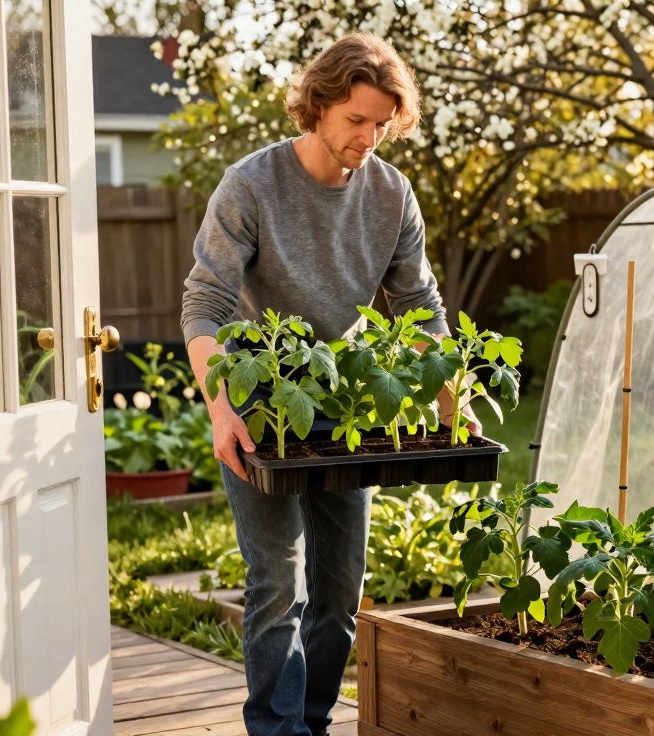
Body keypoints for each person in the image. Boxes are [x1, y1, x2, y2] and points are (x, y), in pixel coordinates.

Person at [180, 33, 477, 736]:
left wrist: (450, 406)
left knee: (340, 589)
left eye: (381, 123)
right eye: (356, 120)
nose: (369, 138)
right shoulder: (252, 185)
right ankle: (276, 730)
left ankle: (310, 721)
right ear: (317, 107)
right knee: (277, 582)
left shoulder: (390, 193)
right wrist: (222, 413)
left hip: (342, 400)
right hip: (258, 402)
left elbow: (421, 307)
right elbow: (205, 305)